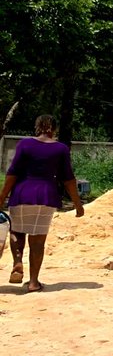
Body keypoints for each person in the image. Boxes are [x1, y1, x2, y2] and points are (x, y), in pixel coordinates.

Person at [0, 115, 84, 292]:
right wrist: (77, 203)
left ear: (37, 127)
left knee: (16, 230)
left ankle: (17, 261)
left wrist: (2, 197)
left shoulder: (24, 144)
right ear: (54, 129)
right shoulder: (60, 149)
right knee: (37, 241)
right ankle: (33, 283)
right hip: (46, 195)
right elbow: (68, 178)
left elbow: (12, 173)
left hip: (22, 193)